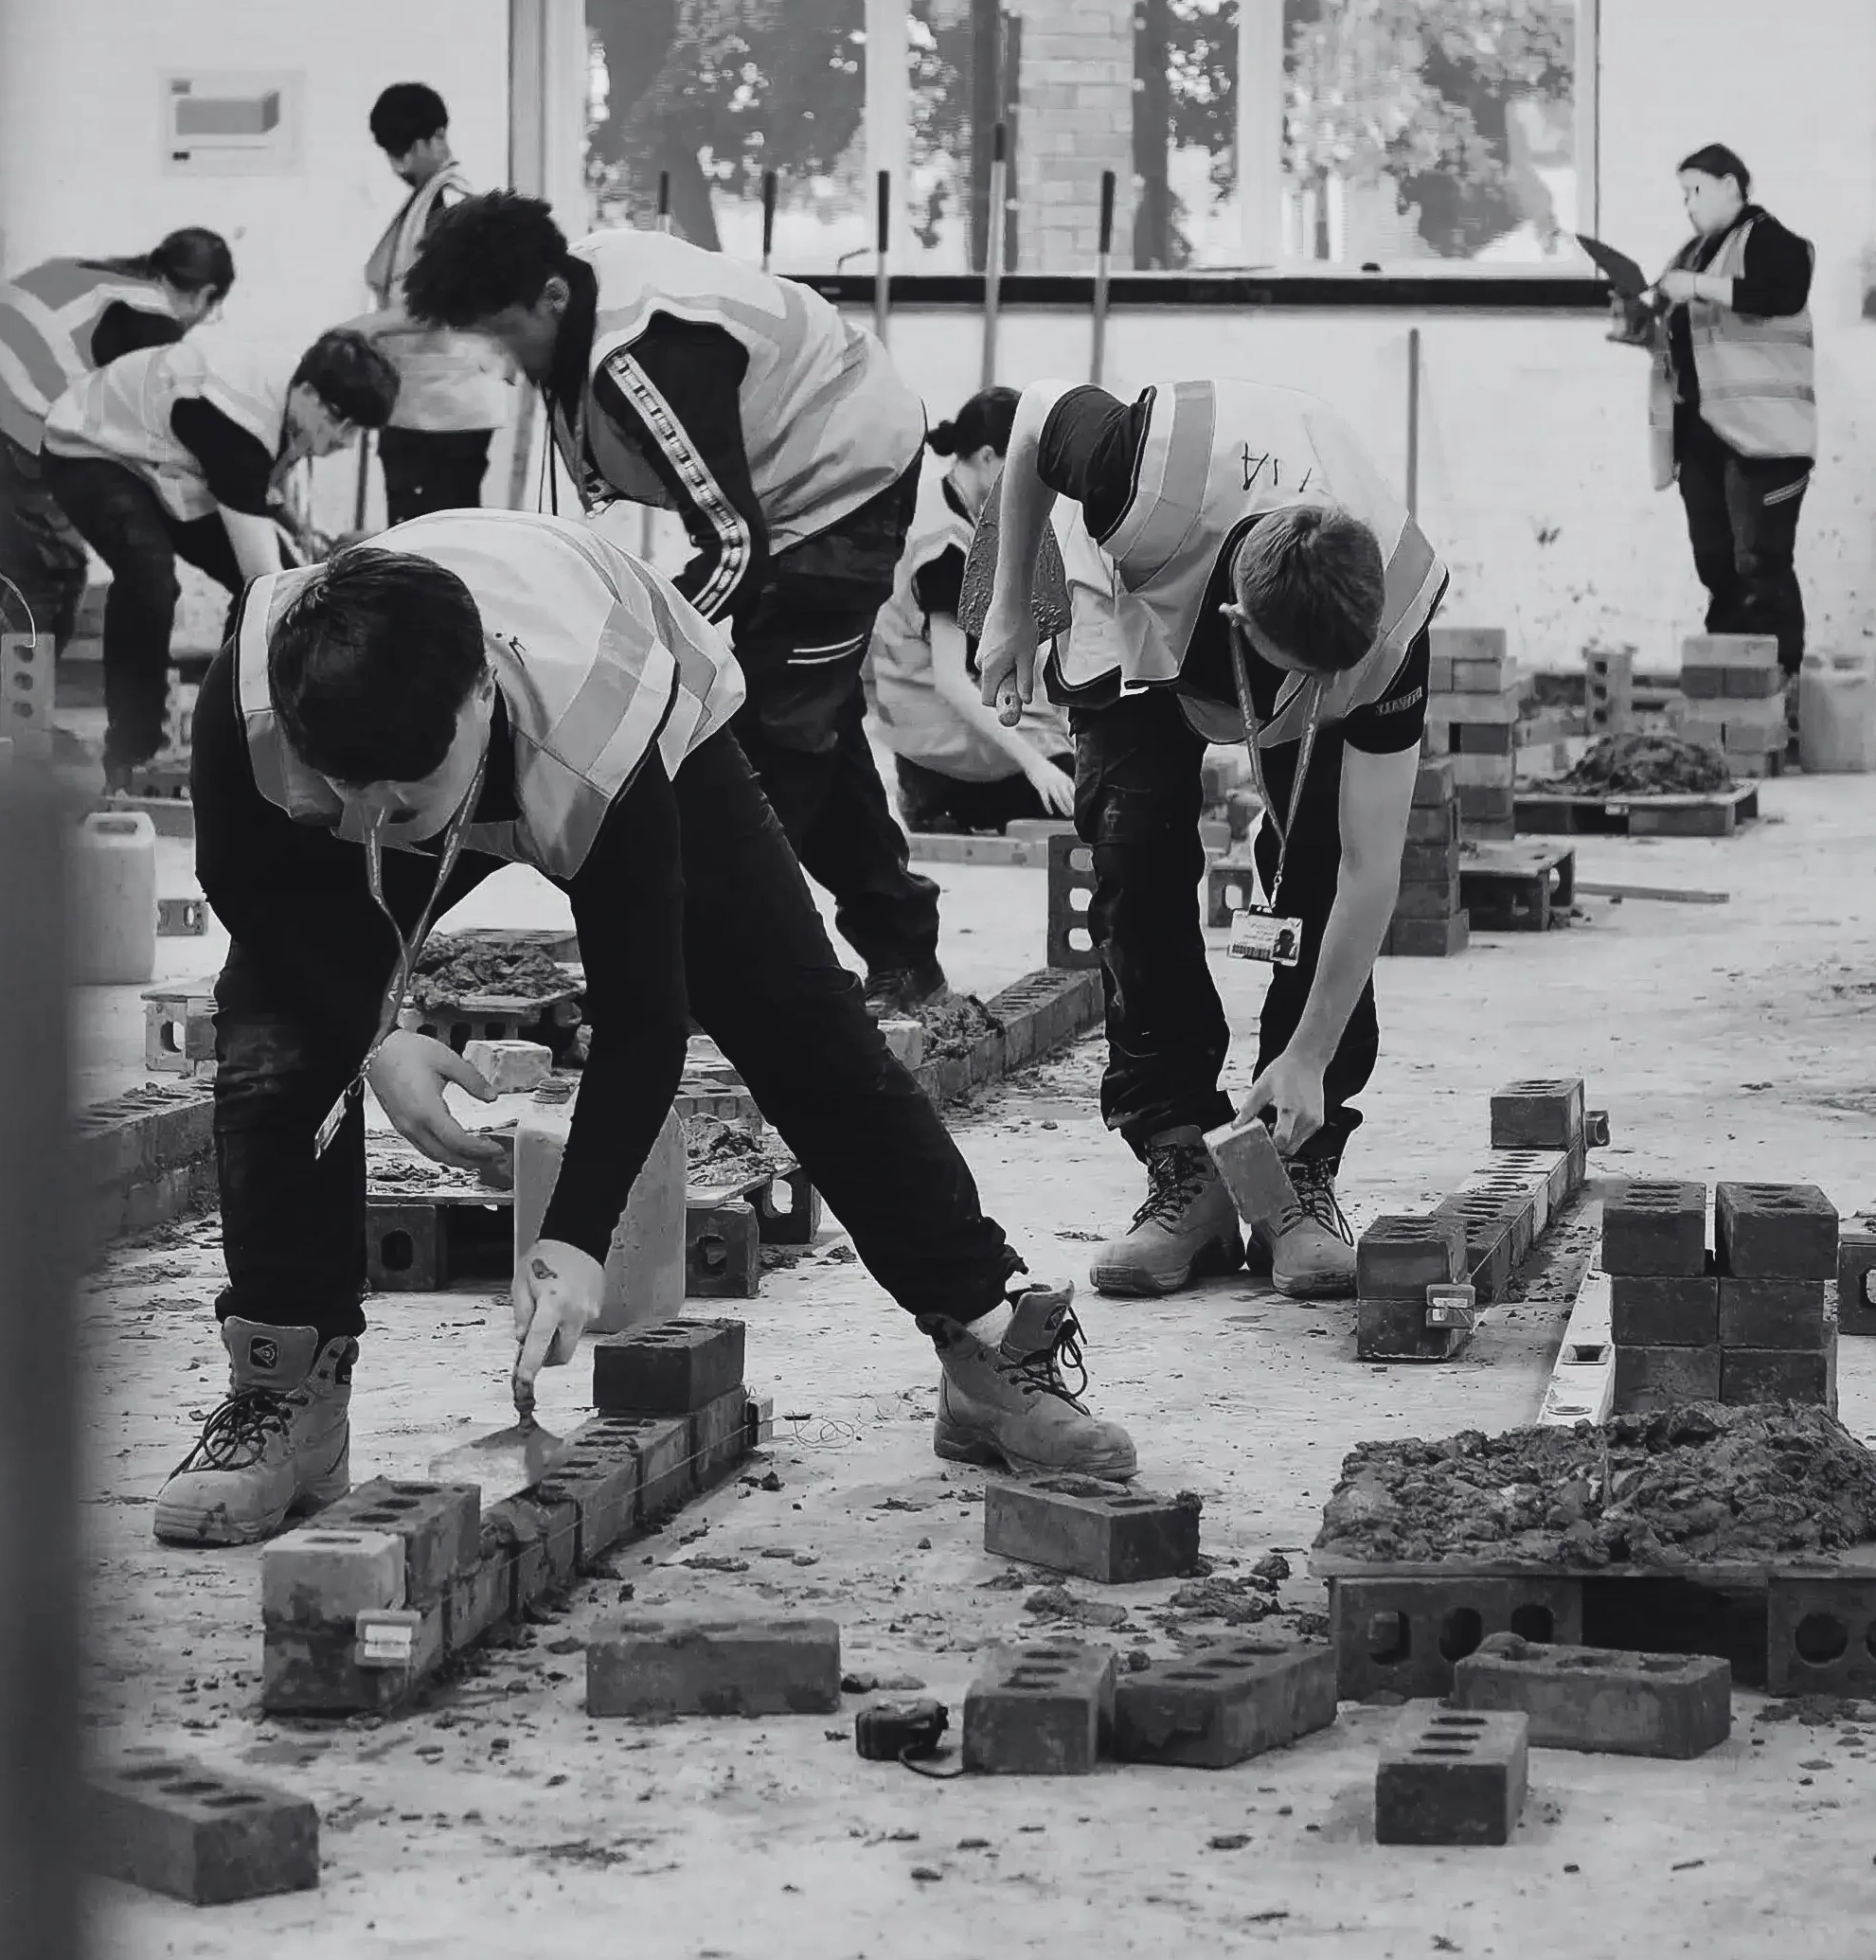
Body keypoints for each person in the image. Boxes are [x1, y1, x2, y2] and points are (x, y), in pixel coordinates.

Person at [161, 515, 1141, 1545]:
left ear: (480, 695)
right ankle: (286, 1395)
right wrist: (375, 1033)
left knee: (798, 1022)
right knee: (274, 1044)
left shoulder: (599, 726)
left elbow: (641, 1013)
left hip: (637, 712)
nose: (377, 815)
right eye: (348, 794)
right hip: (405, 727)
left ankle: (986, 1340)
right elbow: (259, 909)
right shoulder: (261, 704)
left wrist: (576, 1239)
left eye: (410, 784)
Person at [401, 193, 959, 1010]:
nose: (500, 362)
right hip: (787, 488)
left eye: (500, 333)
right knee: (815, 727)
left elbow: (734, 545)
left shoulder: (648, 355)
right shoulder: (576, 294)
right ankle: (905, 951)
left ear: (551, 298)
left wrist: (624, 648)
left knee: (765, 745)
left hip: (845, 481)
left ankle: (750, 975)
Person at [966, 379, 1445, 1305]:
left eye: (1330, 684)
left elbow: (1369, 868)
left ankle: (1292, 1166)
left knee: (1312, 858)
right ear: (1240, 628)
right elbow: (1031, 419)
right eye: (1300, 680)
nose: (1318, 699)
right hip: (1129, 593)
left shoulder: (1392, 611)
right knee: (1132, 854)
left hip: (1283, 598)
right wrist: (1010, 604)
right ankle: (1179, 1163)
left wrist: (1306, 1052)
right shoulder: (1132, 480)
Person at [40, 326, 398, 788]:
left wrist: (294, 527)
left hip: (161, 458)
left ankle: (229, 730)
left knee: (271, 589)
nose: (345, 440)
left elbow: (256, 483)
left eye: (357, 430)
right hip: (89, 445)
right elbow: (265, 576)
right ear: (309, 391)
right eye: (339, 421)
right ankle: (132, 750)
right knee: (151, 580)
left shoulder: (289, 389)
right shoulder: (237, 424)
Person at [0, 227, 236, 691]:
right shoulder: (152, 317)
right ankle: (19, 731)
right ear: (205, 296)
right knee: (50, 573)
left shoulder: (86, 274)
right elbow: (158, 436)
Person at [871, 387, 1080, 835]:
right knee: (1086, 797)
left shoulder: (950, 505)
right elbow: (950, 680)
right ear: (988, 458)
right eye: (1026, 467)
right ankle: (936, 801)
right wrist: (1036, 764)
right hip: (938, 738)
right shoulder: (944, 546)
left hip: (928, 725)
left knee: (1081, 771)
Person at [1649, 145, 1819, 678]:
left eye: (1696, 190)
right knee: (1716, 562)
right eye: (1683, 195)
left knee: (1760, 564)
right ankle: (1725, 680)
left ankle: (1777, 684)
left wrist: (1694, 287)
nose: (1689, 205)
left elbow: (1784, 289)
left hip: (1764, 439)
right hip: (1702, 436)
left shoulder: (1769, 240)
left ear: (1731, 185)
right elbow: (1676, 325)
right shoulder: (1692, 253)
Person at [355, 84, 514, 526]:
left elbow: (447, 303)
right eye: (390, 153)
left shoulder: (454, 203)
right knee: (410, 539)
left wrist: (365, 327)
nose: (398, 164)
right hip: (416, 405)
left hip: (447, 411)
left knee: (439, 542)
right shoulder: (423, 201)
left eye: (406, 150)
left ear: (437, 136)